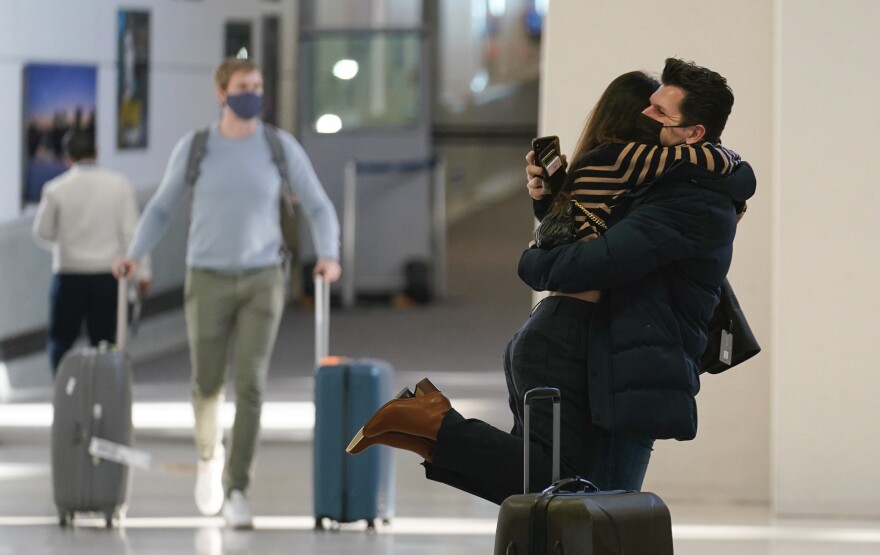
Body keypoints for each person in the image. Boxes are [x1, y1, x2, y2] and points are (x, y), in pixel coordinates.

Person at [346, 58, 756, 504]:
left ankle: (426, 430)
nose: (646, 115)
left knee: (560, 500)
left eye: (660, 112)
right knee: (582, 504)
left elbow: (598, 257)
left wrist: (536, 256)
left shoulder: (688, 196)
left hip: (606, 356)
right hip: (589, 350)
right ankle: (430, 425)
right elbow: (598, 252)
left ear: (694, 133)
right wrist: (545, 231)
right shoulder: (665, 182)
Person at [113, 58, 341, 529]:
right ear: (222, 93)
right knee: (207, 384)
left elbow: (318, 204)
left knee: (251, 383)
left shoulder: (279, 147)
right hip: (208, 277)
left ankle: (237, 488)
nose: (253, 93)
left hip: (263, 278)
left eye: (258, 86)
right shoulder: (197, 148)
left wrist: (329, 254)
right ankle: (208, 458)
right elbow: (161, 208)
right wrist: (135, 254)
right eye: (243, 86)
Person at [32, 130, 151, 375]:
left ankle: (64, 393)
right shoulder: (119, 184)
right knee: (106, 343)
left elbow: (42, 232)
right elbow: (133, 234)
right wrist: (143, 273)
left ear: (68, 158)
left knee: (61, 340)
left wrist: (63, 240)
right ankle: (105, 396)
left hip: (69, 274)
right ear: (96, 153)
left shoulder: (56, 189)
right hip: (108, 275)